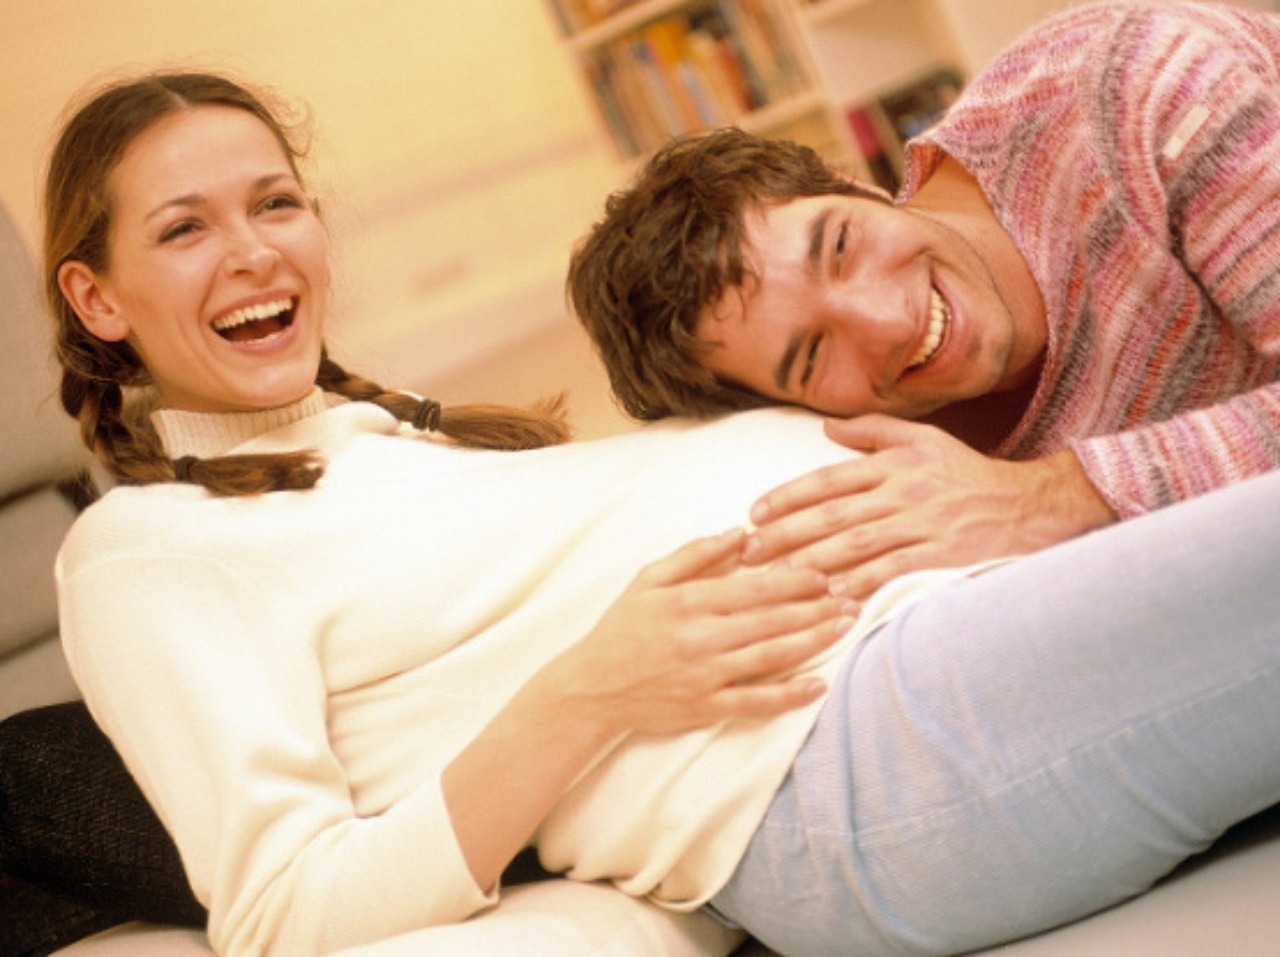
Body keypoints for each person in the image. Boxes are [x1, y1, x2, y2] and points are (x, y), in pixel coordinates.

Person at [45, 68, 1280, 957]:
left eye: (274, 204)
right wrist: (590, 692)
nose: (253, 252)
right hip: (832, 763)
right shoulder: (143, 551)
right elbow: (282, 915)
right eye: (184, 229)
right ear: (97, 299)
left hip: (928, 653)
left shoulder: (392, 446)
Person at [567, 0, 1280, 603]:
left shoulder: (1140, 84)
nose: (888, 321)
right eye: (812, 355)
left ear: (857, 184)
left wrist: (1050, 497)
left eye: (840, 245)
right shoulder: (882, 475)